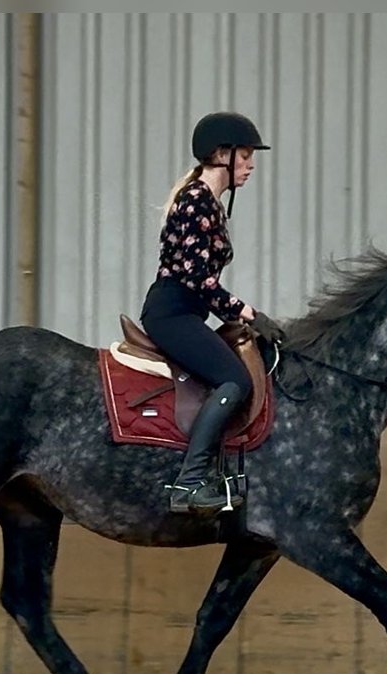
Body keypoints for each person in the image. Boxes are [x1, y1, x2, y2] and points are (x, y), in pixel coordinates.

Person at [140, 111, 287, 514]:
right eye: (246, 155)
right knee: (234, 379)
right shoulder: (195, 203)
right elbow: (197, 280)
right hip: (172, 313)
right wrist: (247, 312)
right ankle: (189, 483)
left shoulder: (207, 202)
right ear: (222, 154)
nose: (251, 164)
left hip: (188, 312)